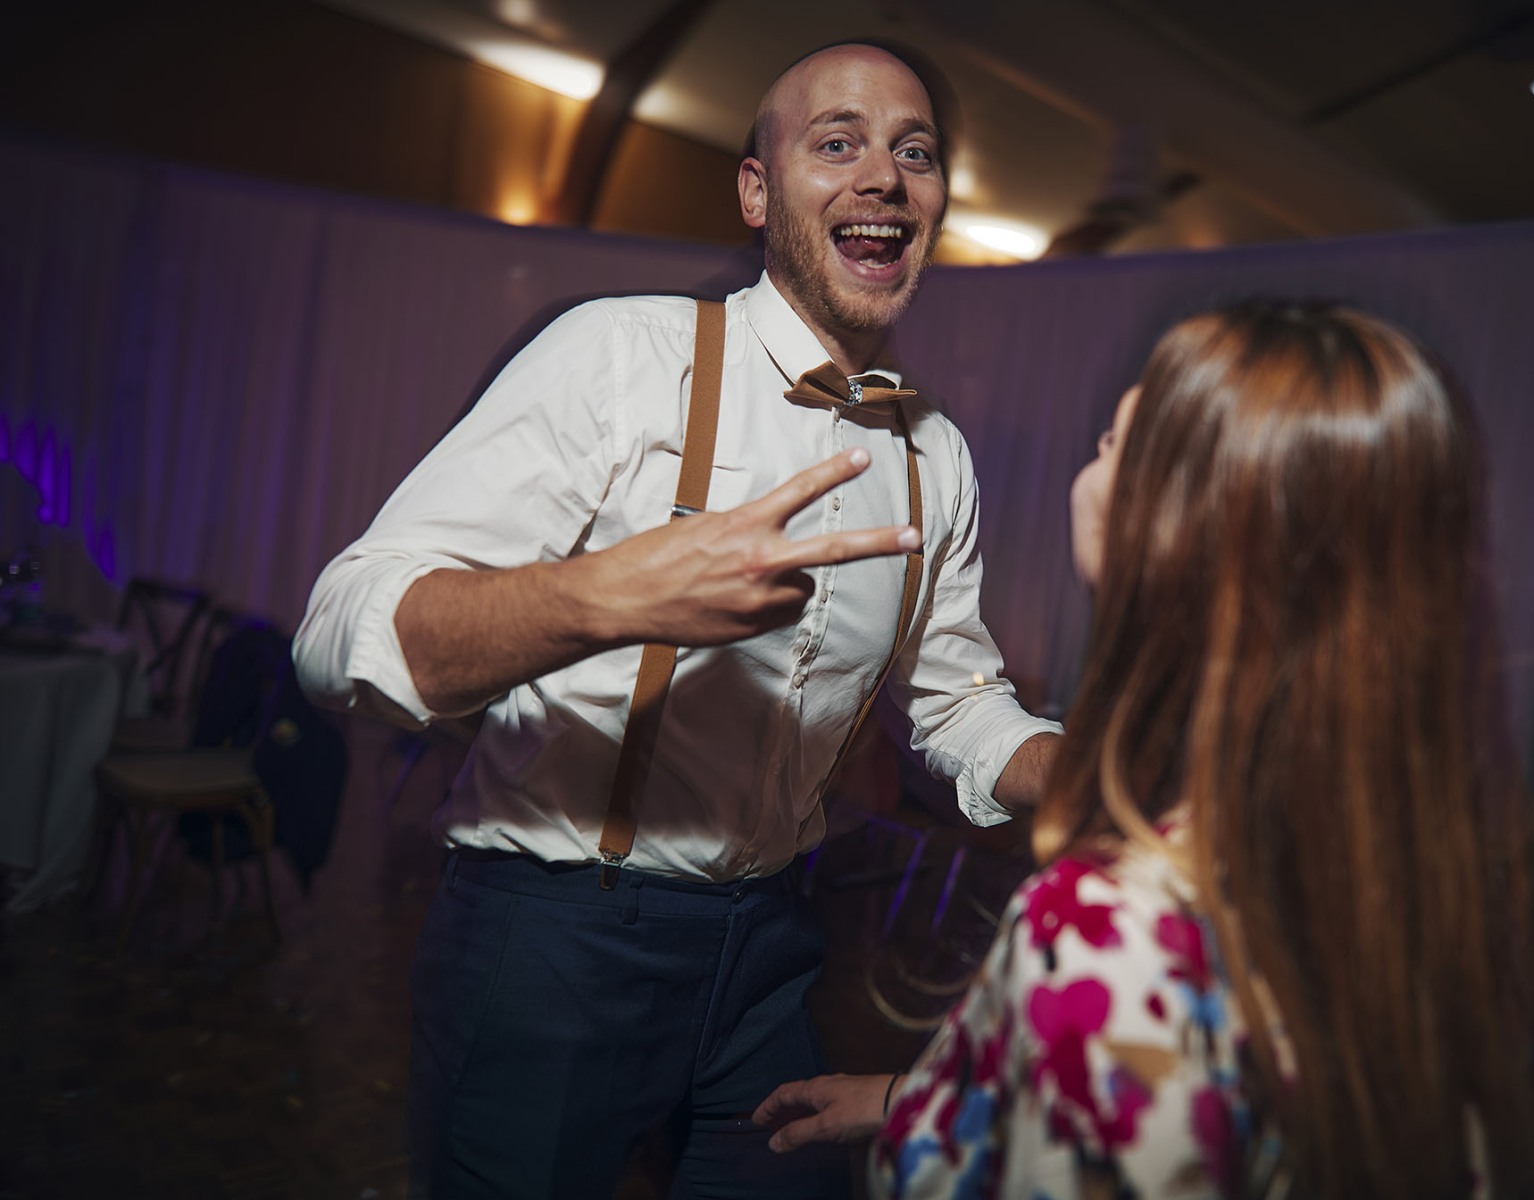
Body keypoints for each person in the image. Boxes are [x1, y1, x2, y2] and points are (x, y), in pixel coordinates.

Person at [294, 41, 1060, 1200]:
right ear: (757, 191)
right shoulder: (620, 358)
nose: (884, 176)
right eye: (838, 142)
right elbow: (337, 627)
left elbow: (954, 703)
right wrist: (598, 596)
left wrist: (1083, 773)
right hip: (556, 934)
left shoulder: (934, 454)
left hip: (771, 946)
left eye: (915, 153)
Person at [755, 301, 1534, 1199]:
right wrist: (923, 1098)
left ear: (1179, 527)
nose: (1092, 464)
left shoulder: (1107, 930)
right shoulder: (1421, 869)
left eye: (1118, 443)